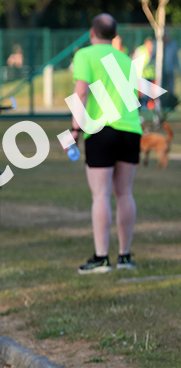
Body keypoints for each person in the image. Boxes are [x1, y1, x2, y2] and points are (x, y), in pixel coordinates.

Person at [71, 14, 141, 274]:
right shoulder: (125, 59)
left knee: (100, 194)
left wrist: (75, 129)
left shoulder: (85, 55)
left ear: (92, 33)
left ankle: (101, 258)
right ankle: (124, 257)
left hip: (101, 129)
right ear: (114, 35)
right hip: (130, 129)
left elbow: (81, 92)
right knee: (125, 193)